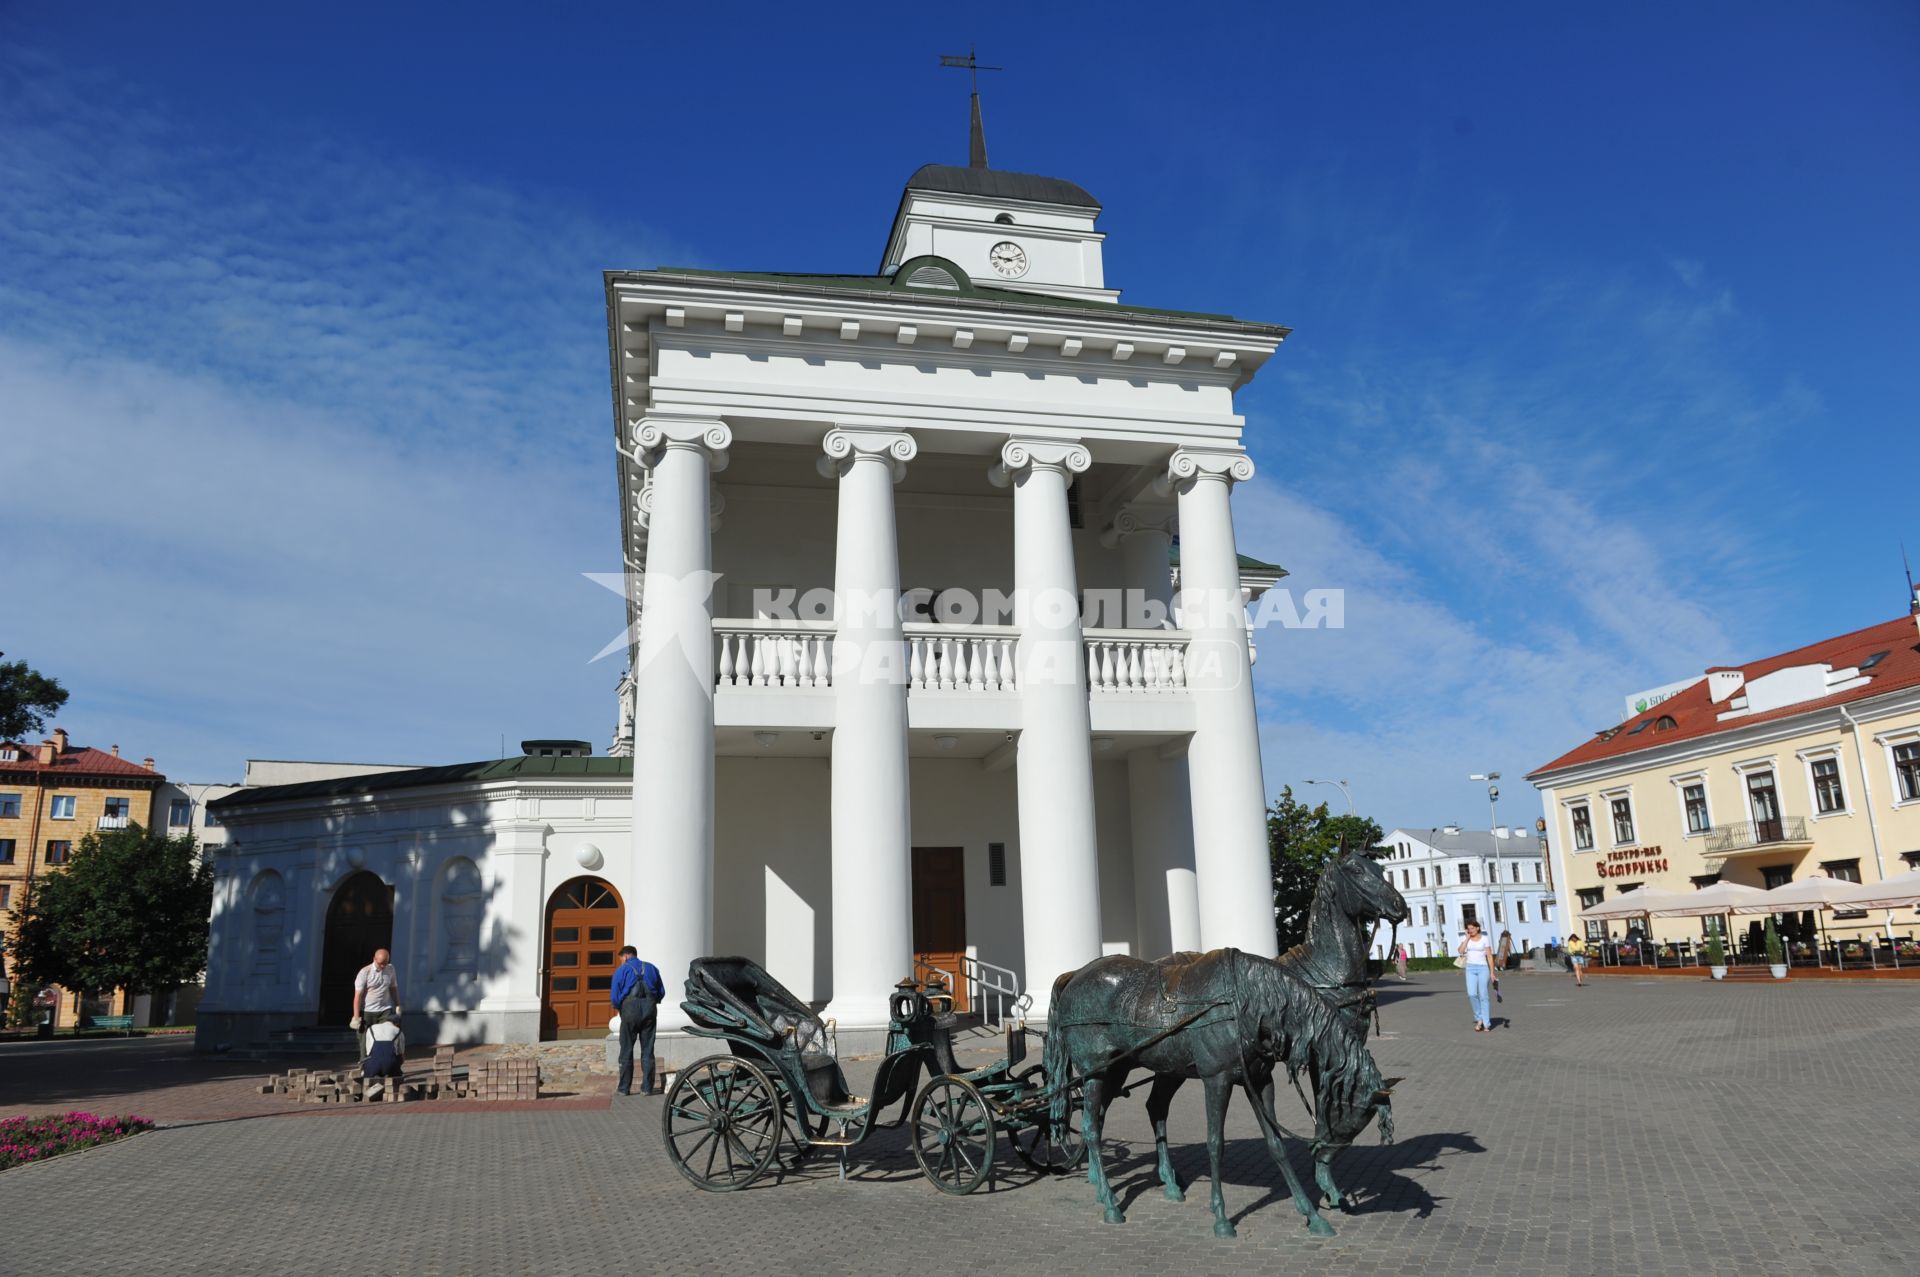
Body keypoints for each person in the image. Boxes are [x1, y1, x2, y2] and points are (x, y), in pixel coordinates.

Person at [611, 945, 666, 1096]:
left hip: (629, 1012)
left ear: (626, 956)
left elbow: (615, 997)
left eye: (621, 958)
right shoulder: (652, 968)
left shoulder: (622, 970)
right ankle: (647, 1088)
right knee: (648, 1050)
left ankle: (623, 1089)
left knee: (626, 1050)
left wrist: (619, 1007)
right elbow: (661, 992)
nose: (622, 961)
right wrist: (653, 1001)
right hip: (649, 1011)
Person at [349, 948, 401, 1059]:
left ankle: (384, 1065)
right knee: (364, 1040)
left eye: (385, 963)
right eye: (380, 963)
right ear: (374, 959)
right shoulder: (365, 972)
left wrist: (397, 1005)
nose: (383, 966)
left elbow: (393, 988)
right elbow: (357, 996)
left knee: (386, 1037)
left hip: (385, 1010)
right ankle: (364, 1066)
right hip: (367, 1011)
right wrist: (356, 1017)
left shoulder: (390, 969)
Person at [1458, 921, 1495, 1031]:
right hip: (1470, 968)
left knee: (1483, 995)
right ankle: (1479, 1018)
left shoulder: (1484, 938)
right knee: (1472, 994)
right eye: (1468, 929)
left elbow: (1489, 956)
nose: (1470, 930)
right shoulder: (1466, 939)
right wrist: (1466, 938)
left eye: (1472, 928)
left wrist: (1492, 972)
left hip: (1483, 968)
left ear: (1478, 928)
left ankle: (1486, 1022)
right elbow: (1460, 951)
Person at [361, 1019, 406, 1098]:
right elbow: (401, 1055)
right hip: (391, 1065)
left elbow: (368, 1052)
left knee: (366, 1069)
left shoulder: (371, 1029)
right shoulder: (398, 1031)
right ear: (397, 1025)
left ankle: (367, 1091)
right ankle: (389, 1082)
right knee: (397, 1073)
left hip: (373, 1065)